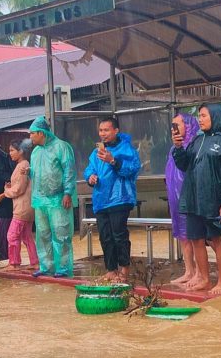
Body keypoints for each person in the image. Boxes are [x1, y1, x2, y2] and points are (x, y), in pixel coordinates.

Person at [173, 104, 221, 295]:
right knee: (196, 239)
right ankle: (203, 278)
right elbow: (184, 165)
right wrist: (178, 148)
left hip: (214, 201)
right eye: (199, 116)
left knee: (217, 240)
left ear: (215, 117)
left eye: (203, 116)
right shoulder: (196, 141)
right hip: (193, 199)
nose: (200, 119)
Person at [83, 115, 142, 279]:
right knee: (105, 236)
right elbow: (89, 169)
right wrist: (90, 177)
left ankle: (124, 268)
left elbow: (132, 169)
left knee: (119, 235)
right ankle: (110, 269)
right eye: (101, 130)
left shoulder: (127, 149)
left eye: (106, 130)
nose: (103, 133)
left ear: (116, 130)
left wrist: (113, 161)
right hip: (101, 199)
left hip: (120, 198)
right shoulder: (96, 152)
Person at [27, 115, 77, 278]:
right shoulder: (35, 152)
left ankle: (62, 268)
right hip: (40, 200)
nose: (30, 137)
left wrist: (68, 193)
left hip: (58, 199)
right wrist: (28, 173)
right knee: (42, 234)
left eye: (32, 133)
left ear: (41, 133)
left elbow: (69, 170)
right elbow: (38, 175)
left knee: (61, 233)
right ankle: (46, 266)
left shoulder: (62, 147)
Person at [166, 113, 200, 287]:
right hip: (175, 197)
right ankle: (189, 271)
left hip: (189, 196)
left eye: (178, 124)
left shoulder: (195, 145)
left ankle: (200, 273)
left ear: (188, 125)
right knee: (181, 235)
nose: (175, 128)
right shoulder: (173, 148)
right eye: (173, 125)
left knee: (194, 235)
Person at [1, 139, 38, 271]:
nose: (10, 153)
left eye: (12, 150)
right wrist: (11, 187)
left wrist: (6, 191)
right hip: (27, 206)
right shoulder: (23, 164)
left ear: (21, 151)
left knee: (12, 235)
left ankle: (14, 263)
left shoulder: (23, 166)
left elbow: (19, 189)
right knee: (26, 236)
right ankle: (34, 261)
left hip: (22, 207)